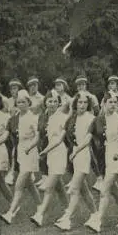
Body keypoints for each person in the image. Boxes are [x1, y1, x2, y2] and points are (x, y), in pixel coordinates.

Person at [82, 91, 118, 232]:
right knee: (113, 189)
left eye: (115, 102)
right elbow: (88, 137)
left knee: (104, 189)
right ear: (104, 103)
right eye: (110, 102)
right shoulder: (97, 119)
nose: (113, 105)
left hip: (115, 156)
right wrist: (78, 150)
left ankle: (98, 221)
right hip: (102, 157)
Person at [53, 92, 98, 231]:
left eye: (85, 102)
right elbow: (61, 137)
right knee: (83, 189)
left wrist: (77, 151)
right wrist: (48, 149)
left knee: (74, 188)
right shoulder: (71, 118)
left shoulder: (92, 118)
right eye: (80, 102)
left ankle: (67, 219)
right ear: (75, 104)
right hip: (74, 156)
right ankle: (95, 214)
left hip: (84, 155)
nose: (82, 105)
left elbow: (87, 140)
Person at [0, 90, 42, 224]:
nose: (21, 104)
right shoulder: (16, 118)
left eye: (24, 102)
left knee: (19, 184)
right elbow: (8, 135)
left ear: (28, 103)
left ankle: (10, 213)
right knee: (29, 183)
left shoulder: (33, 117)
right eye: (19, 102)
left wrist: (30, 147)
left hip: (31, 152)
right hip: (20, 152)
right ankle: (41, 208)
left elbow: (37, 136)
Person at [31, 90, 70, 227]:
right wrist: (30, 148)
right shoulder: (44, 117)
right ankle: (68, 212)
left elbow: (59, 140)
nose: (52, 104)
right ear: (45, 102)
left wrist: (45, 151)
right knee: (59, 187)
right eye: (49, 101)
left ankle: (39, 215)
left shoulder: (62, 117)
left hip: (59, 153)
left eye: (55, 101)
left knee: (49, 187)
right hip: (49, 155)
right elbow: (39, 136)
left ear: (58, 103)